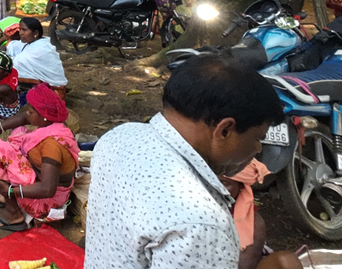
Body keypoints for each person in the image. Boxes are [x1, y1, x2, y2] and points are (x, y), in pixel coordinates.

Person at [85, 55, 295, 269]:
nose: (258, 150)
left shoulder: (119, 137)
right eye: (257, 139)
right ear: (224, 130)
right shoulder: (200, 225)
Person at [0, 84, 79, 231]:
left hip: (46, 201)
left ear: (43, 116)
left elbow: (47, 189)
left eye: (30, 112)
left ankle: (13, 213)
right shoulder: (52, 122)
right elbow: (24, 118)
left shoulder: (52, 146)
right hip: (40, 176)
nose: (27, 115)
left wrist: (11, 191)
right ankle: (3, 191)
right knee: (19, 133)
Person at [4, 18, 67, 97]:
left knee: (7, 74)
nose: (20, 33)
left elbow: (12, 65)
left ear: (35, 33)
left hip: (53, 93)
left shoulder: (39, 49)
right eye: (20, 29)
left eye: (24, 30)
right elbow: (13, 46)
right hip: (47, 86)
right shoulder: (36, 41)